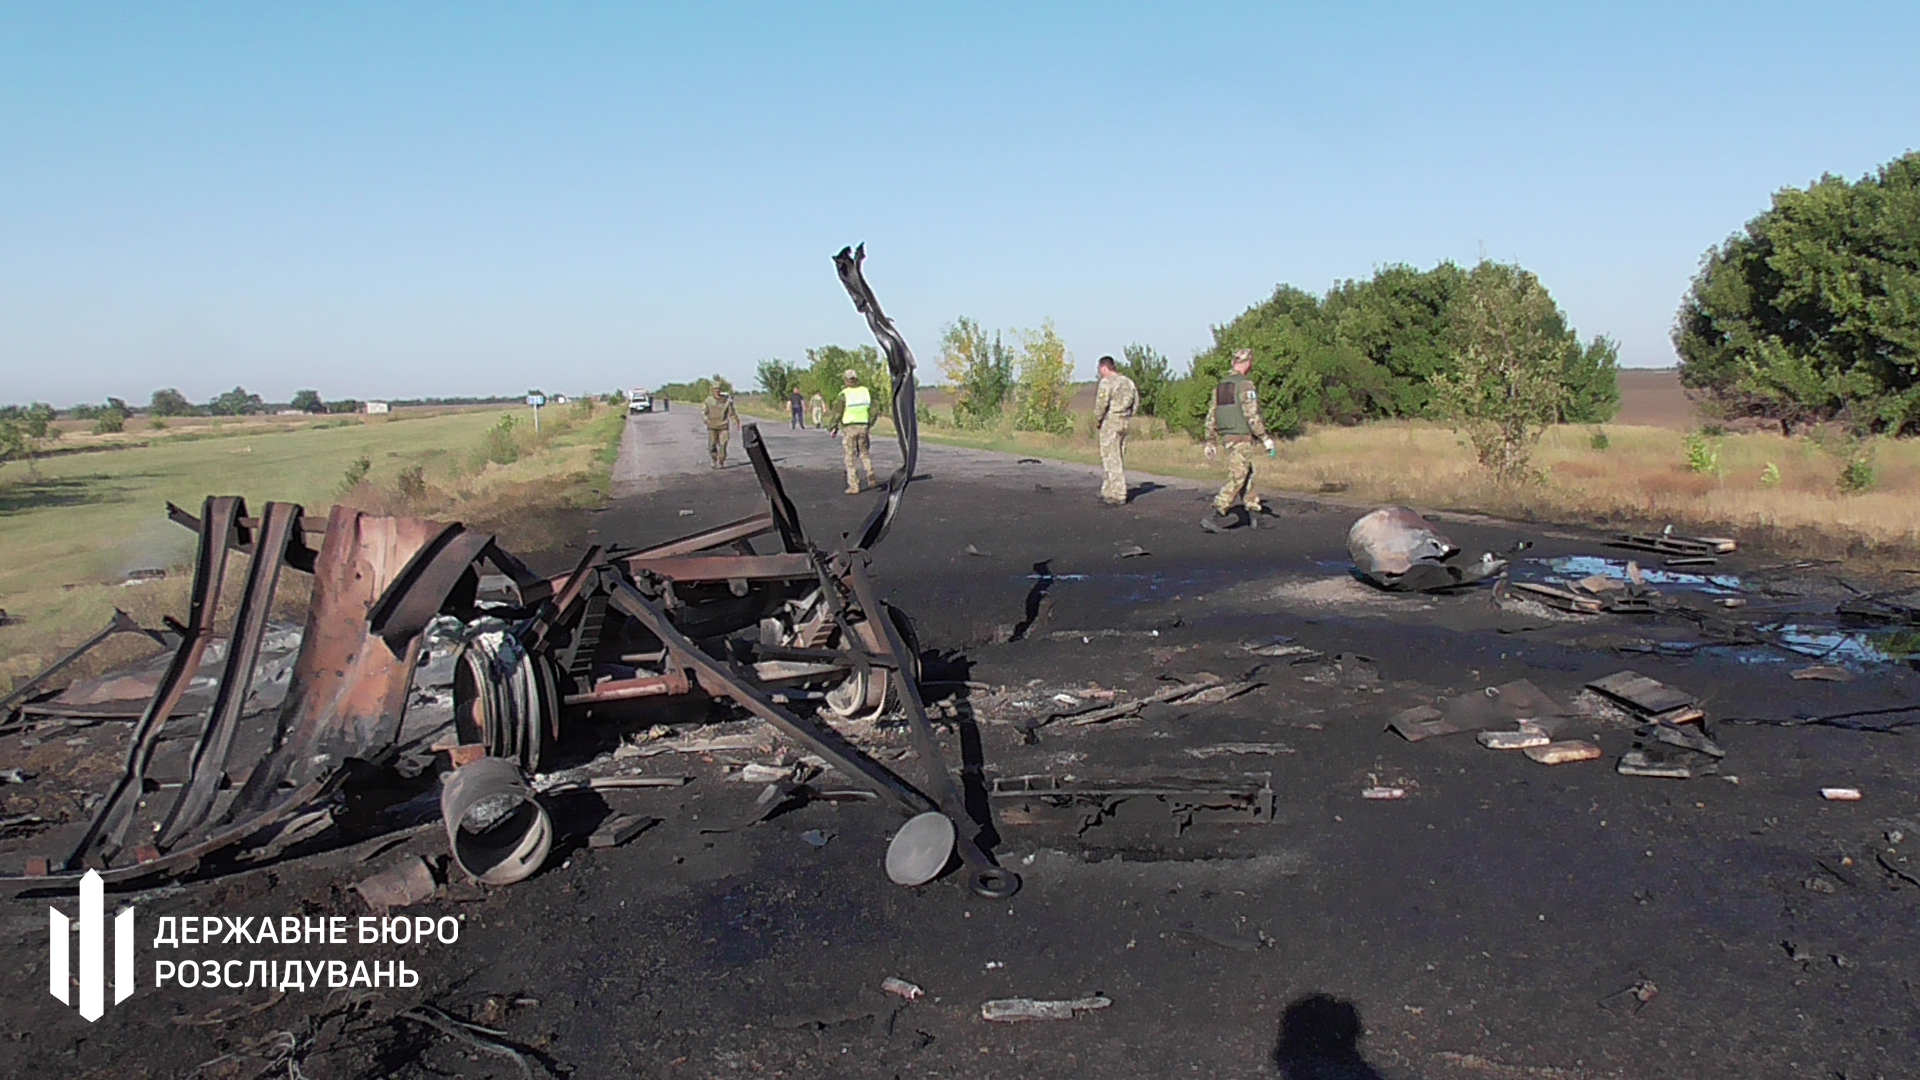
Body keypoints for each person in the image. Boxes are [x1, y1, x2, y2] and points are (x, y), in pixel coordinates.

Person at [1202, 348, 1275, 532]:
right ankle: (1217, 512)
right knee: (1238, 476)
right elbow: (1251, 414)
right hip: (1241, 436)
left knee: (1247, 473)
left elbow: (1212, 415)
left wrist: (1210, 440)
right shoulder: (1245, 385)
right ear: (1247, 363)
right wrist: (1264, 438)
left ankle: (1255, 513)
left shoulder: (1221, 386)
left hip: (1228, 436)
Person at [1092, 355, 1138, 506]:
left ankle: (1118, 493)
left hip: (1111, 422)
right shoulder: (1128, 382)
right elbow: (1136, 403)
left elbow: (1101, 404)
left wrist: (1098, 420)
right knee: (1117, 457)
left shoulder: (1107, 383)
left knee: (1111, 459)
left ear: (1104, 368)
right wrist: (1128, 415)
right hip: (1125, 422)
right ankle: (1108, 489)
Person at [828, 369, 877, 494]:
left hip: (850, 427)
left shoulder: (844, 394)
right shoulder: (865, 392)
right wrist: (869, 423)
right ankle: (870, 474)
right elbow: (874, 410)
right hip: (863, 426)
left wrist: (833, 427)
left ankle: (854, 485)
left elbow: (838, 412)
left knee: (850, 456)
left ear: (846, 380)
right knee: (864, 453)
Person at [701, 385, 738, 468]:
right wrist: (706, 420)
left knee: (723, 444)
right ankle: (714, 459)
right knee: (712, 445)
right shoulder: (709, 400)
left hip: (723, 426)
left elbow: (731, 413)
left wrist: (735, 421)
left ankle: (721, 461)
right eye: (715, 389)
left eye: (718, 389)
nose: (717, 391)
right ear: (713, 390)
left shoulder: (726, 400)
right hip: (712, 426)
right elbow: (704, 412)